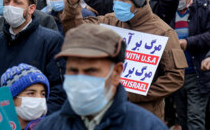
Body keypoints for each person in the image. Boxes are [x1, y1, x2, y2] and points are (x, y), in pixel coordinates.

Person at [61, 0, 187, 119]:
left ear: (139, 0)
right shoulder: (109, 21)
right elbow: (77, 32)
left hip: (144, 116)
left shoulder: (164, 32)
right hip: (107, 113)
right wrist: (72, 4)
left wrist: (135, 94)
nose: (118, 3)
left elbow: (175, 77)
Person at [35, 24, 169, 129]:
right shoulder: (48, 126)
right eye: (73, 70)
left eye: (91, 71)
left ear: (116, 73)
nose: (80, 79)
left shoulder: (147, 126)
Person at [167, 0, 210, 130]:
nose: (175, 1)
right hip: (176, 74)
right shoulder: (168, 10)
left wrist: (188, 42)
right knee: (182, 117)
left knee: (195, 119)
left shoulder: (205, 10)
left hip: (196, 74)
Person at [1, 64, 50, 130]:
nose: (39, 98)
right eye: (31, 93)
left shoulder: (52, 126)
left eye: (43, 94)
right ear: (12, 98)